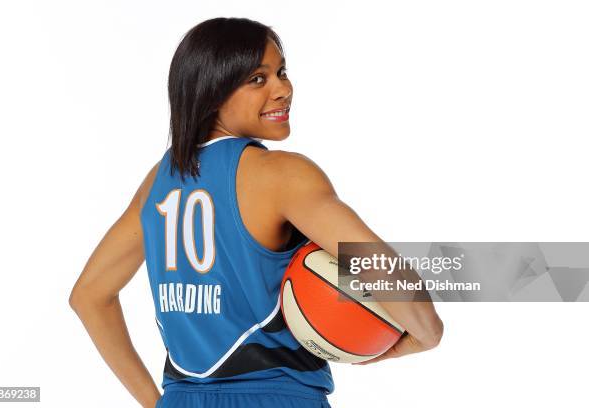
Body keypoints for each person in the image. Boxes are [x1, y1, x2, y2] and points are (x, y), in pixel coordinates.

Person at [69, 17, 444, 408]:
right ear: (211, 91)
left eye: (281, 72)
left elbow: (90, 295)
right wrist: (427, 333)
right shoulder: (281, 175)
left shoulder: (159, 182)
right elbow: (378, 265)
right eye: (258, 79)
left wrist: (157, 402)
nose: (284, 89)